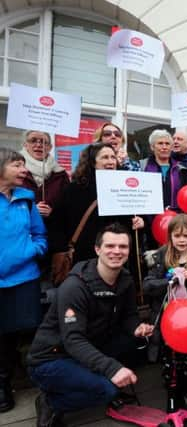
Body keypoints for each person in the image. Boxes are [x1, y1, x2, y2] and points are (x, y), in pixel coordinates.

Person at [28, 223, 154, 427]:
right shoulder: (74, 287)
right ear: (97, 249)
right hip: (52, 358)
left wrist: (136, 327)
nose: (116, 251)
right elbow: (73, 340)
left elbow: (129, 315)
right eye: (110, 246)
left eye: (123, 247)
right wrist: (112, 368)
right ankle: (50, 401)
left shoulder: (125, 279)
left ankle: (87, 379)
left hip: (90, 344)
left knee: (134, 343)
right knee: (107, 390)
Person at [143, 214, 187, 414]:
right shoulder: (160, 256)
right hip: (169, 317)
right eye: (177, 236)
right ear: (170, 236)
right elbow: (147, 285)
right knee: (171, 358)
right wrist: (168, 282)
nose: (182, 240)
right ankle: (173, 396)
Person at [0, 148, 47, 413]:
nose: (24, 170)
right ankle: (2, 383)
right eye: (17, 165)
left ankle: (9, 378)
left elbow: (40, 235)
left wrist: (32, 250)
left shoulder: (27, 200)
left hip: (24, 278)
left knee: (15, 332)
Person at [48, 143, 144, 265]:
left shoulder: (124, 188)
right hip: (84, 260)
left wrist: (139, 223)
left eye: (113, 157)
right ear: (93, 162)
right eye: (105, 157)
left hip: (118, 257)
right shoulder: (75, 189)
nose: (111, 161)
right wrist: (62, 250)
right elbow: (57, 224)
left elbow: (131, 223)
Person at [19, 130, 69, 221]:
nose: (38, 145)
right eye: (33, 140)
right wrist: (31, 210)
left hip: (51, 230)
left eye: (43, 142)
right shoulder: (14, 171)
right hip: (21, 230)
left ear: (50, 147)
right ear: (25, 145)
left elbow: (68, 206)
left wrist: (53, 212)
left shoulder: (60, 174)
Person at [141, 129, 187, 211]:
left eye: (167, 144)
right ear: (152, 147)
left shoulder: (182, 170)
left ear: (171, 147)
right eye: (160, 143)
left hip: (175, 219)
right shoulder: (142, 167)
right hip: (148, 220)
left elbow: (186, 198)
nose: (164, 147)